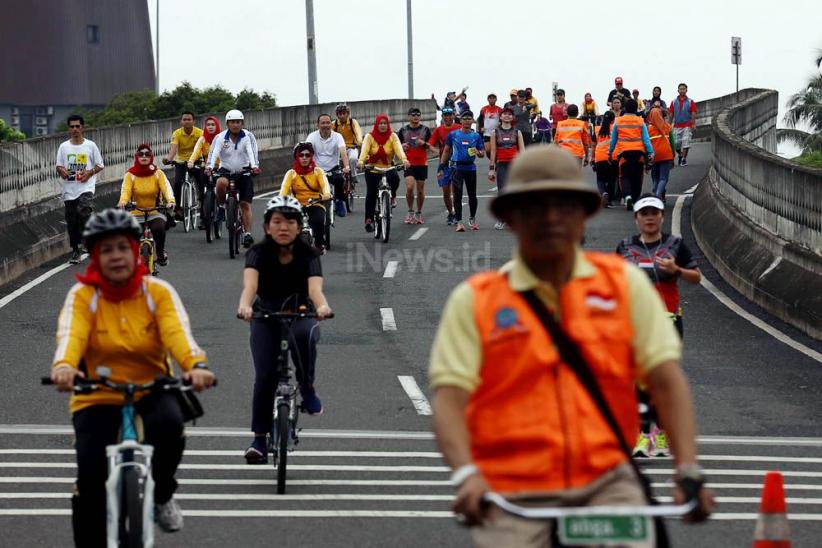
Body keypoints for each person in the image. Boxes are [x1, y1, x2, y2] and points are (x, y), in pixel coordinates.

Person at [429, 146, 713, 546]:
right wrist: (466, 476)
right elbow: (449, 398)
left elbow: (667, 381)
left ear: (584, 215)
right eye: (533, 206)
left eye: (563, 205)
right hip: (513, 489)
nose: (550, 218)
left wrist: (689, 470)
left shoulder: (623, 286)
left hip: (607, 483)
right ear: (510, 218)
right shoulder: (476, 300)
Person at [50, 208, 215, 547]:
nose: (115, 256)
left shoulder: (157, 293)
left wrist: (195, 366)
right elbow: (71, 336)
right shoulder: (82, 297)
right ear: (95, 256)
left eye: (122, 247)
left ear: (135, 250)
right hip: (95, 393)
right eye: (106, 250)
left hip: (152, 387)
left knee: (170, 427)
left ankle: (162, 493)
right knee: (89, 480)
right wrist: (64, 366)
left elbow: (178, 335)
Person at [238, 195, 333, 463]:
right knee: (265, 376)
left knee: (306, 334)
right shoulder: (257, 253)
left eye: (290, 221)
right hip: (265, 314)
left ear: (299, 226)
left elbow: (315, 290)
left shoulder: (308, 254)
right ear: (267, 226)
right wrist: (245, 307)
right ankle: (259, 439)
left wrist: (322, 307)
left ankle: (307, 387)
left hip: (300, 312)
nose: (283, 227)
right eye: (276, 221)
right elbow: (250, 287)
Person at [617, 194, 702, 458]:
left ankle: (662, 434)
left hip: (668, 319)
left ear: (662, 217)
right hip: (636, 321)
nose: (650, 218)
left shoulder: (675, 244)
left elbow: (696, 277)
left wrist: (676, 270)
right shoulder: (625, 247)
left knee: (664, 378)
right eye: (645, 214)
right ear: (637, 219)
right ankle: (644, 435)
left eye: (654, 213)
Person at [205, 109, 261, 248]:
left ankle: (247, 234)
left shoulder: (248, 136)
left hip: (244, 171)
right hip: (226, 170)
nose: (235, 125)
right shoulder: (220, 137)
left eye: (238, 122)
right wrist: (210, 167)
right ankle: (223, 207)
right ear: (227, 124)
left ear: (241, 123)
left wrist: (254, 166)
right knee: (220, 183)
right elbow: (213, 154)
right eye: (232, 122)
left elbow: (252, 152)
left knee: (245, 204)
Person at [56, 114, 104, 264]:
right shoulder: (64, 147)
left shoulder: (90, 145)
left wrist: (89, 173)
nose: (75, 129)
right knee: (72, 220)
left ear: (82, 128)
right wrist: (62, 171)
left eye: (78, 126)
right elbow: (59, 166)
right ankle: (75, 250)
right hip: (69, 189)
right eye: (72, 126)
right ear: (68, 129)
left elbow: (100, 165)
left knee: (84, 211)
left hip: (86, 187)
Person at [116, 144, 175, 266]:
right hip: (136, 212)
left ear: (151, 157)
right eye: (140, 154)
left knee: (159, 228)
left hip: (155, 212)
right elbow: (125, 191)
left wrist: (170, 201)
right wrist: (123, 202)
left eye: (147, 154)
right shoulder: (130, 175)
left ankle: (159, 252)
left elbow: (166, 188)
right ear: (136, 157)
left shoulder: (158, 173)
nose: (144, 157)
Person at [357, 114, 410, 232]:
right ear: (376, 124)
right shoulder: (369, 137)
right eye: (380, 123)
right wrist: (361, 162)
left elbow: (398, 150)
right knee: (371, 193)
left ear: (388, 125)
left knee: (395, 179)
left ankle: (392, 197)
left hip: (388, 167)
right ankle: (369, 220)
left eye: (385, 123)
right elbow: (364, 150)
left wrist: (404, 160)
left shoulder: (393, 136)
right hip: (372, 168)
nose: (382, 126)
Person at [279, 142, 331, 252]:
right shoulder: (291, 173)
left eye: (307, 155)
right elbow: (283, 190)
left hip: (315, 203)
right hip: (297, 205)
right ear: (297, 157)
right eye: (301, 155)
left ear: (311, 157)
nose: (304, 158)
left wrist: (325, 195)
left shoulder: (318, 171)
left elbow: (326, 187)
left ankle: (318, 244)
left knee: (319, 219)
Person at [441, 110, 485, 232]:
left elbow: (482, 153)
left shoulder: (476, 136)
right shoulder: (453, 135)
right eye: (464, 118)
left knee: (472, 195)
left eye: (469, 119)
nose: (466, 121)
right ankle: (459, 222)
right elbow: (446, 150)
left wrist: (478, 152)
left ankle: (472, 219)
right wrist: (441, 165)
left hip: (470, 167)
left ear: (472, 121)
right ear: (460, 121)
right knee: (458, 195)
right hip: (456, 168)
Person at [609, 98, 654, 210]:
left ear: (625, 108)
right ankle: (634, 199)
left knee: (625, 177)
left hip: (624, 153)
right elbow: (646, 139)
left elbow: (613, 140)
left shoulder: (618, 121)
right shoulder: (640, 121)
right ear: (636, 109)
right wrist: (651, 152)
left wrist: (609, 152)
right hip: (639, 153)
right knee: (637, 177)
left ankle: (627, 196)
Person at [306, 113, 351, 218]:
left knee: (340, 180)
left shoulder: (337, 136)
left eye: (328, 123)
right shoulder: (312, 137)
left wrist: (347, 166)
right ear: (318, 125)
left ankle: (339, 201)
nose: (325, 125)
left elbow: (343, 152)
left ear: (331, 124)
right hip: (317, 170)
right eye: (323, 123)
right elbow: (307, 152)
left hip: (333, 169)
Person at [162, 111, 204, 220]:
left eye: (189, 119)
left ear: (194, 121)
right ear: (181, 121)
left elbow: (203, 147)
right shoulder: (177, 133)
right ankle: (178, 209)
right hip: (181, 162)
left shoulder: (200, 133)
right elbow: (173, 148)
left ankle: (204, 209)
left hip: (196, 161)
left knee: (201, 184)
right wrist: (168, 159)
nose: (187, 121)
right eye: (184, 119)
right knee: (177, 183)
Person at [488, 107, 524, 229]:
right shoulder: (495, 133)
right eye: (504, 114)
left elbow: (522, 151)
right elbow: (493, 151)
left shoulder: (517, 132)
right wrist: (491, 168)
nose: (507, 116)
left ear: (513, 117)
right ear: (501, 117)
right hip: (502, 164)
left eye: (509, 114)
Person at [397, 107, 433, 224]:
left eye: (418, 115)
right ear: (408, 117)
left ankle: (419, 212)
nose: (416, 117)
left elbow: (433, 148)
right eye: (413, 115)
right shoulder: (402, 131)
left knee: (420, 191)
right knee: (409, 187)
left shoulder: (425, 130)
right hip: (409, 163)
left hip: (422, 163)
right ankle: (410, 211)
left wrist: (424, 143)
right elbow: (396, 147)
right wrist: (402, 146)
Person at [428, 107, 462, 225]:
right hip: (444, 164)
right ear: (442, 117)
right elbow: (430, 143)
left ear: (453, 116)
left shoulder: (459, 128)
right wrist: (435, 151)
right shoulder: (438, 130)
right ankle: (451, 213)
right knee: (446, 192)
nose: (448, 117)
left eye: (450, 115)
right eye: (445, 115)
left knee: (456, 191)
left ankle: (458, 214)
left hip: (457, 164)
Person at [188, 115, 222, 228]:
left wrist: (222, 166)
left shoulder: (222, 138)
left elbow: (225, 155)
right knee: (204, 194)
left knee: (220, 190)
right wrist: (191, 161)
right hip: (206, 168)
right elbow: (196, 151)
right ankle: (204, 219)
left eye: (213, 125)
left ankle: (221, 209)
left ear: (217, 126)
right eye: (208, 125)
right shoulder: (202, 139)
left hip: (220, 168)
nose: (210, 127)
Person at [646, 107, 676, 201]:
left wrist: (646, 160)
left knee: (655, 177)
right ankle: (658, 194)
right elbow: (672, 143)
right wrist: (673, 155)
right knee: (663, 178)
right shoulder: (667, 126)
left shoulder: (648, 128)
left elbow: (646, 143)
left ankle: (655, 190)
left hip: (654, 156)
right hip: (666, 155)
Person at [593, 111, 618, 207]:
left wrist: (592, 158)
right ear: (613, 119)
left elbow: (594, 144)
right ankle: (609, 200)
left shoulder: (597, 129)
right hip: (613, 157)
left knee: (600, 179)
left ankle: (603, 193)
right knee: (612, 180)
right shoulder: (616, 129)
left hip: (599, 157)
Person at [333, 103, 363, 181]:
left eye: (344, 113)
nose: (342, 116)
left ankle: (354, 175)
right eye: (340, 114)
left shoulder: (353, 122)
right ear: (337, 115)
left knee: (353, 159)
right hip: (339, 149)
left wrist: (359, 142)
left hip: (351, 147)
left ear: (348, 114)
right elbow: (330, 136)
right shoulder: (334, 124)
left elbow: (358, 133)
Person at [669, 83, 697, 166]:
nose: (682, 90)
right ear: (678, 90)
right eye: (680, 89)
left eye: (683, 89)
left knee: (686, 142)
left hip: (687, 125)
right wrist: (668, 125)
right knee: (675, 144)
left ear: (686, 90)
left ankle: (684, 159)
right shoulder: (673, 102)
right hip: (677, 125)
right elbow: (671, 113)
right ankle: (680, 154)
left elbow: (693, 112)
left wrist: (693, 123)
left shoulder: (690, 101)